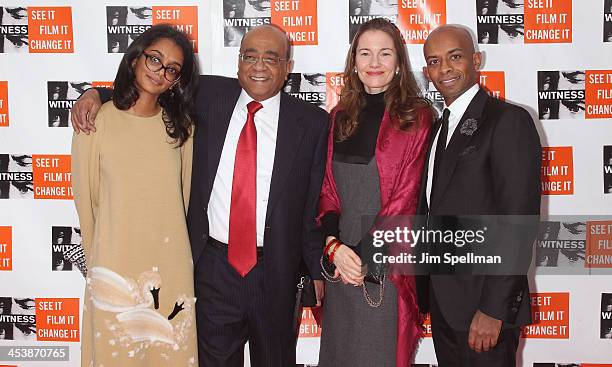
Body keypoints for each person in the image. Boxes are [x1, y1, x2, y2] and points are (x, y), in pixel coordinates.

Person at [71, 24, 328, 367]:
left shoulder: (313, 122)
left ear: (288, 67)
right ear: (238, 63)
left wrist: (315, 269)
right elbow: (147, 88)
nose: (259, 66)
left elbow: (313, 203)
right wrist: (93, 93)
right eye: (249, 56)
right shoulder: (208, 96)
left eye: (271, 58)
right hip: (212, 270)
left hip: (276, 272)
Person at [71, 24, 200, 366]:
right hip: (114, 263)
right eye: (154, 60)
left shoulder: (182, 127)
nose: (160, 72)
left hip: (170, 265)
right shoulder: (96, 121)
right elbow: (86, 201)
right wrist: (97, 265)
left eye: (172, 68)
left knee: (168, 352)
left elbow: (184, 198)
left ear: (177, 80)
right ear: (134, 59)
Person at [416, 24, 541, 366]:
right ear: (427, 71)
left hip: (484, 310)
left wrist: (493, 310)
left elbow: (518, 223)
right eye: (435, 61)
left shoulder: (507, 121)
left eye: (455, 57)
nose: (445, 69)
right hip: (444, 305)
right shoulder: (438, 127)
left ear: (476, 59)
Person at [316, 18, 432, 367]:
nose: (374, 63)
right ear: (354, 61)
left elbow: (407, 197)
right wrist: (335, 247)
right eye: (365, 53)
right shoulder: (338, 117)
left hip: (387, 265)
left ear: (399, 64)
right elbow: (327, 191)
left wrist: (364, 254)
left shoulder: (418, 116)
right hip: (340, 265)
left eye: (385, 54)